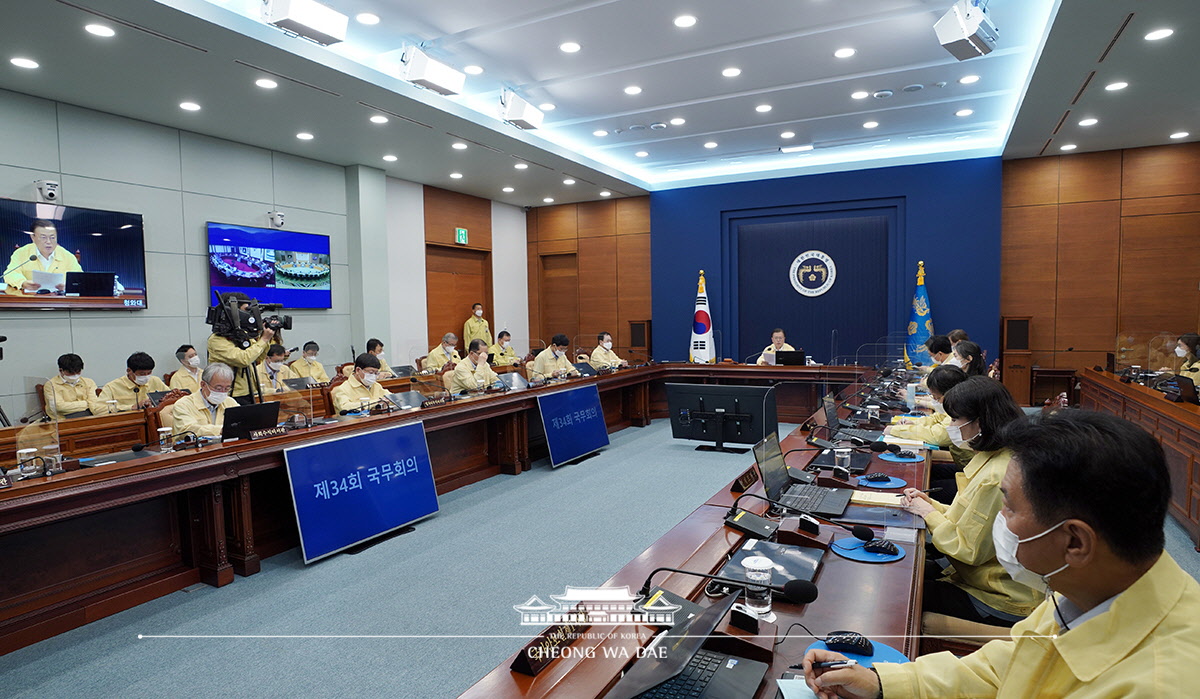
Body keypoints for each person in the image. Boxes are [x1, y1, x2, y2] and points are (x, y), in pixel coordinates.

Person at [802, 410, 1200, 699]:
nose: (1001, 519)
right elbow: (1004, 667)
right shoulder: (1086, 589)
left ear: (1075, 542)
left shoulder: (1162, 684)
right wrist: (882, 683)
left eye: (1008, 506)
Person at [899, 376, 1041, 625]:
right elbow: (967, 517)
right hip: (977, 576)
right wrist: (931, 505)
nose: (951, 425)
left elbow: (967, 549)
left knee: (901, 594)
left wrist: (927, 513)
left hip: (998, 597)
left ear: (981, 422)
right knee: (910, 569)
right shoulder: (998, 455)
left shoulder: (998, 474)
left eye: (955, 419)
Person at [884, 365, 973, 501]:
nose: (934, 400)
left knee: (921, 486)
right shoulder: (961, 400)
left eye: (936, 397)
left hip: (971, 475)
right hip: (966, 467)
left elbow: (939, 436)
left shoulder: (965, 406)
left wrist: (896, 430)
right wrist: (914, 423)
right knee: (928, 473)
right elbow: (938, 418)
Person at [206, 292, 275, 404]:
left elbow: (258, 358)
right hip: (230, 395)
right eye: (246, 311)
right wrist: (264, 340)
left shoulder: (243, 335)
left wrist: (264, 337)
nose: (249, 315)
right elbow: (243, 359)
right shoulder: (216, 340)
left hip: (250, 393)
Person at [3, 219, 83, 292]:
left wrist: (68, 286)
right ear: (33, 237)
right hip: (30, 301)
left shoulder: (67, 256)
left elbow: (80, 279)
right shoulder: (21, 253)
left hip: (59, 302)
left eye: (52, 237)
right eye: (43, 237)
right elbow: (10, 274)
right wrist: (23, 283)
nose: (48, 242)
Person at [171, 363, 239, 437]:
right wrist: (221, 430)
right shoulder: (183, 405)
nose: (222, 392)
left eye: (227, 388)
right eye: (218, 388)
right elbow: (188, 429)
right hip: (196, 447)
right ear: (203, 384)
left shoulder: (230, 402)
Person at [99, 351, 169, 412]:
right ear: (129, 371)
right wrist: (131, 407)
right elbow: (98, 409)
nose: (146, 376)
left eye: (149, 373)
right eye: (142, 374)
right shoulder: (112, 387)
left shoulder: (155, 380)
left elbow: (171, 398)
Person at [42, 353, 105, 419]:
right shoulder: (51, 385)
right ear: (61, 370)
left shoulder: (89, 382)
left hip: (89, 415)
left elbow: (94, 404)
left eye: (78, 371)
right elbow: (59, 407)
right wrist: (87, 403)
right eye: (71, 372)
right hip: (63, 419)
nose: (75, 375)